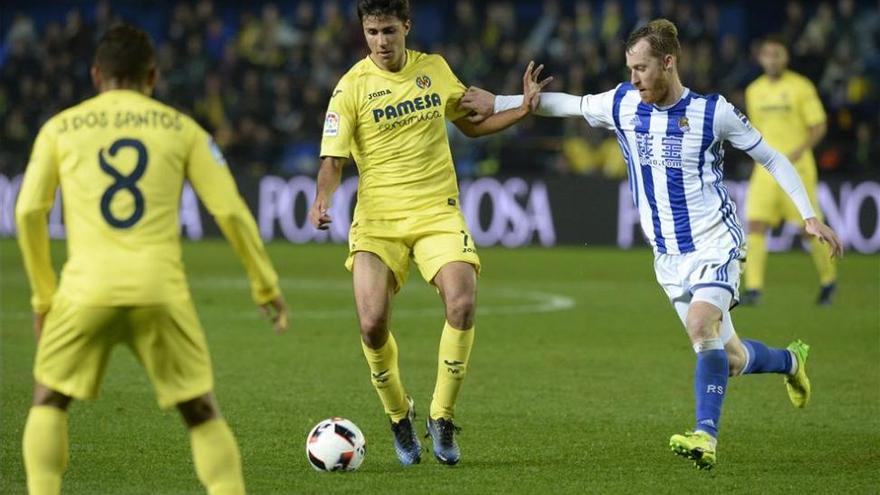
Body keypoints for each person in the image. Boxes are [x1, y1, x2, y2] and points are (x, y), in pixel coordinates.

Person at [462, 19, 843, 470]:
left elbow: (772, 157)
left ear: (668, 62)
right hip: (668, 257)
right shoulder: (623, 103)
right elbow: (567, 104)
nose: (633, 78)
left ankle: (706, 435)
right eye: (629, 68)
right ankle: (789, 362)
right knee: (732, 358)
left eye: (641, 68)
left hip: (715, 243)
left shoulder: (712, 112)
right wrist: (501, 101)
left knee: (702, 327)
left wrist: (809, 214)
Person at [16, 25, 288, 495]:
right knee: (201, 411)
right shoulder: (183, 129)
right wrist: (265, 285)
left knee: (49, 400)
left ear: (96, 74)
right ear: (152, 76)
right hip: (160, 290)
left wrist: (44, 298)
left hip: (84, 292)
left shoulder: (59, 128)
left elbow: (28, 211)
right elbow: (230, 211)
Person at [308, 0, 548, 466]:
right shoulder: (350, 88)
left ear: (406, 28)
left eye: (389, 31)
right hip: (377, 222)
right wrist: (323, 199)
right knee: (372, 323)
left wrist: (521, 109)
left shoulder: (434, 71)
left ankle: (441, 416)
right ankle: (399, 415)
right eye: (372, 31)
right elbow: (332, 160)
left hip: (437, 211)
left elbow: (472, 124)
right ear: (364, 30)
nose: (381, 41)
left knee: (462, 300)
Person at [742, 35, 836, 306]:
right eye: (767, 54)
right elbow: (756, 131)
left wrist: (800, 150)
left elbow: (818, 126)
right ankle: (754, 289)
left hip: (797, 168)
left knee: (810, 229)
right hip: (764, 170)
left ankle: (828, 282)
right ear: (760, 59)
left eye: (777, 54)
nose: (772, 59)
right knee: (755, 225)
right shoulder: (753, 90)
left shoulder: (801, 87)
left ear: (786, 58)